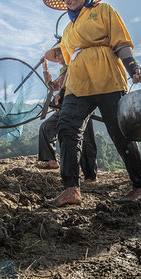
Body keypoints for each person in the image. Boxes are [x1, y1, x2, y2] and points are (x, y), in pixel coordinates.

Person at [42, 0, 141, 206]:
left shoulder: (103, 10)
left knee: (119, 132)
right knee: (67, 128)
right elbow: (69, 63)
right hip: (78, 85)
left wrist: (132, 66)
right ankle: (71, 189)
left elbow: (120, 42)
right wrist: (61, 89)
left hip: (107, 77)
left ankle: (138, 185)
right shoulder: (69, 30)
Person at [37, 45, 98, 183]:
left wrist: (61, 94)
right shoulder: (63, 71)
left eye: (60, 52)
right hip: (65, 108)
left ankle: (90, 176)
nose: (58, 56)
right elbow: (53, 86)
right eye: (56, 54)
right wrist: (45, 68)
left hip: (82, 105)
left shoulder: (76, 64)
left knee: (86, 139)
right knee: (46, 127)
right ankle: (51, 160)